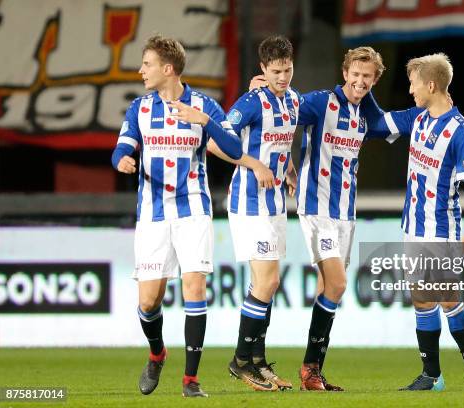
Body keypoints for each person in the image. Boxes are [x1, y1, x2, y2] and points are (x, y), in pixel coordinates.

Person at [111, 35, 245, 398]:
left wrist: (206, 121)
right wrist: (122, 159)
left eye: (147, 64)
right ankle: (157, 354)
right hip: (153, 214)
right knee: (148, 302)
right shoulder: (139, 108)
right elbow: (122, 145)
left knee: (194, 288)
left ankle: (190, 380)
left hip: (194, 210)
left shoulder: (205, 106)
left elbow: (235, 148)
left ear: (167, 69)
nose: (141, 71)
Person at [365, 53, 464, 391]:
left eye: (414, 84)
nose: (410, 90)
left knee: (448, 297)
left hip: (442, 227)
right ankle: (431, 376)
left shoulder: (460, 131)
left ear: (431, 85)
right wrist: (362, 87)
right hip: (413, 226)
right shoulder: (418, 117)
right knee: (422, 298)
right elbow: (378, 124)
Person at [197, 35, 298, 392]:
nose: (282, 77)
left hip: (275, 203)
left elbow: (279, 145)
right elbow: (214, 143)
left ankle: (257, 362)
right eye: (275, 71)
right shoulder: (251, 102)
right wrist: (254, 164)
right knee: (267, 283)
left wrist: (288, 169)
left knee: (266, 286)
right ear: (262, 69)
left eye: (286, 69)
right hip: (249, 202)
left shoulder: (293, 101)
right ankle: (241, 359)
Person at [293, 46, 391, 391]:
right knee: (337, 285)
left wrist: (431, 106)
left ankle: (313, 371)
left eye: (367, 76)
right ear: (345, 72)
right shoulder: (320, 102)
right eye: (356, 73)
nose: (360, 81)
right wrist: (260, 93)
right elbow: (284, 112)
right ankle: (307, 368)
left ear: (374, 79)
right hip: (316, 208)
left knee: (327, 289)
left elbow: (393, 124)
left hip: (345, 214)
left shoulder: (366, 114)